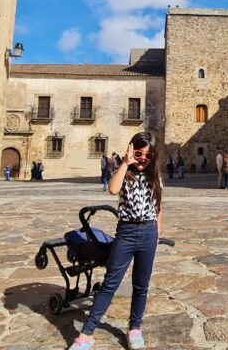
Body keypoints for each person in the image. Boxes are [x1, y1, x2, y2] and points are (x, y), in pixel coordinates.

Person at [70, 132, 164, 350]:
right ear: (131, 150)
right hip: (127, 233)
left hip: (148, 233)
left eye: (147, 156)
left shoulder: (154, 178)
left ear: (154, 158)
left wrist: (158, 230)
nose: (142, 159)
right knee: (110, 283)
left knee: (141, 285)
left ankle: (135, 328)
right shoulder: (125, 174)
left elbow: (159, 206)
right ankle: (86, 334)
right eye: (138, 153)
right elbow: (113, 189)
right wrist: (125, 162)